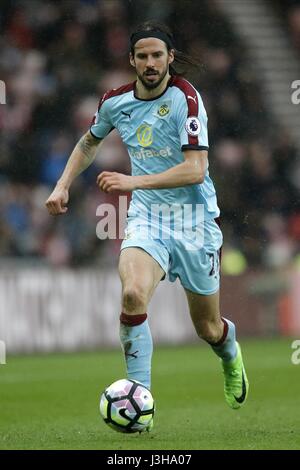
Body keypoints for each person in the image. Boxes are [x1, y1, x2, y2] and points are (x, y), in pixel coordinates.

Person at [46, 21, 249, 428]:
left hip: (195, 222)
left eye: (158, 55)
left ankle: (230, 354)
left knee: (207, 327)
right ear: (132, 60)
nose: (151, 62)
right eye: (143, 55)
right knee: (133, 296)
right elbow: (89, 141)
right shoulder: (115, 102)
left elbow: (195, 169)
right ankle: (141, 401)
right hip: (147, 219)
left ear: (170, 58)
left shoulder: (187, 100)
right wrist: (62, 185)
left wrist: (131, 180)